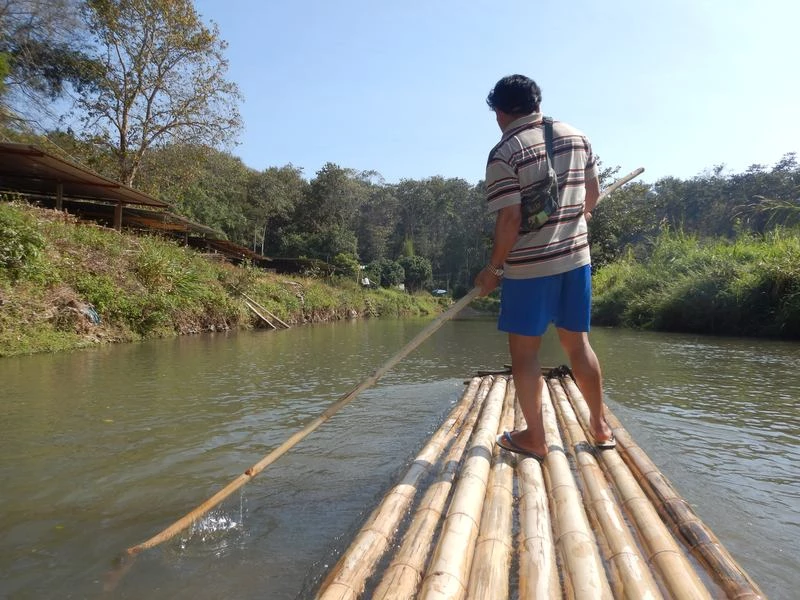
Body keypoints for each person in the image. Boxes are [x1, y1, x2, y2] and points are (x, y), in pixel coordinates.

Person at [474, 74, 615, 461]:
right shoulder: (576, 135)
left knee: (525, 354)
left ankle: (534, 436)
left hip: (529, 269)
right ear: (537, 104)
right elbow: (593, 196)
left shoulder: (505, 151)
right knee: (578, 343)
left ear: (500, 111)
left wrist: (493, 270)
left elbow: (509, 220)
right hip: (576, 261)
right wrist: (577, 217)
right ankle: (600, 427)